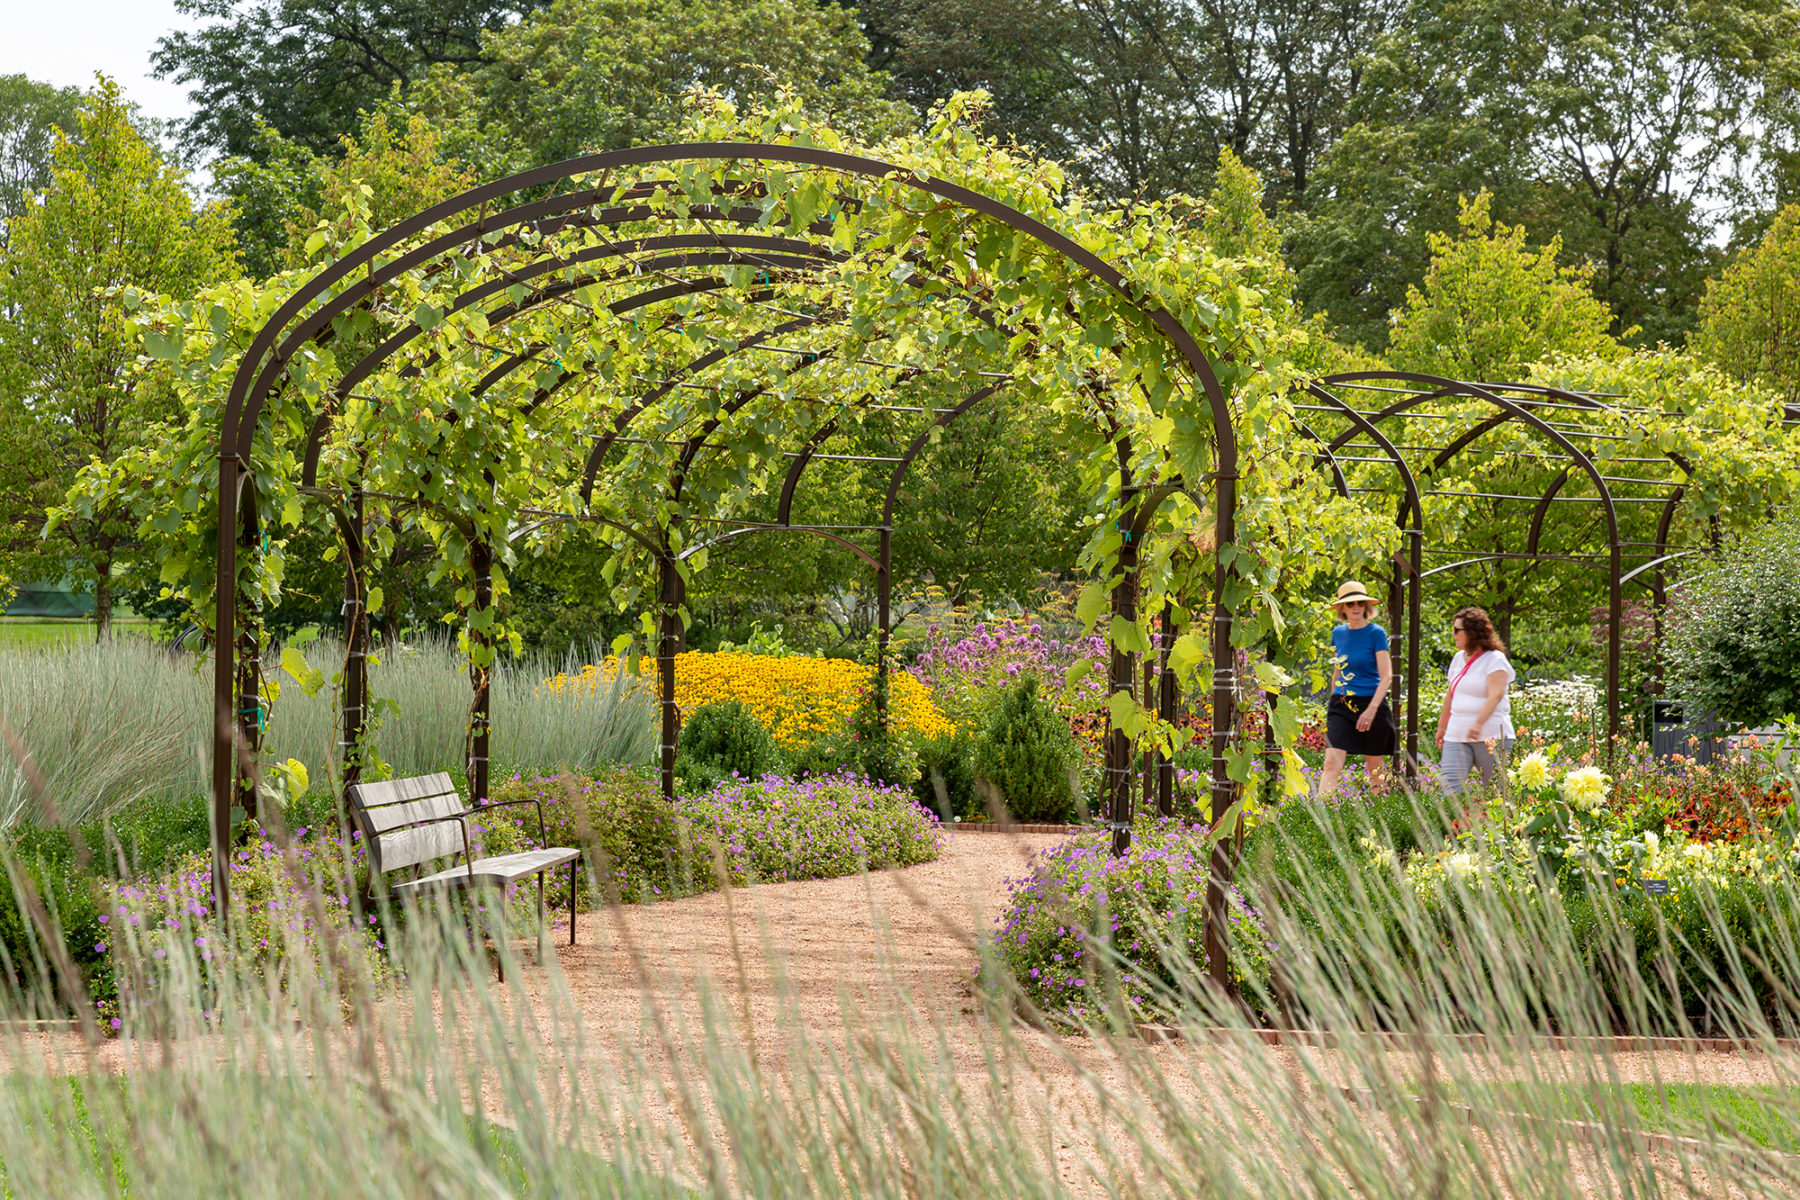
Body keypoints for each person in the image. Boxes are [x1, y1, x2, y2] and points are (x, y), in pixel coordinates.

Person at [1319, 581, 1396, 796]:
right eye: (1350, 603)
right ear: (1342, 608)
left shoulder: (1376, 633)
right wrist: (1333, 696)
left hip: (1372, 702)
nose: (1355, 607)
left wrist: (1371, 710)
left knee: (1376, 769)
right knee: (1330, 763)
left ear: (1365, 606)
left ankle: (1381, 818)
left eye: (1360, 603)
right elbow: (1338, 669)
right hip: (1342, 703)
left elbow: (1387, 676)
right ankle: (1324, 818)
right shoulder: (1338, 633)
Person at [1435, 605, 1516, 794]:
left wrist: (1478, 724)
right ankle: (1447, 824)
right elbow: (1451, 694)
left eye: (1457, 630)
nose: (1453, 634)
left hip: (1491, 736)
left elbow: (1495, 695)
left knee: (1496, 793)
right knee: (1448, 791)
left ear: (1472, 633)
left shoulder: (1495, 659)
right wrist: (1441, 727)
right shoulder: (1457, 658)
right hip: (1457, 735)